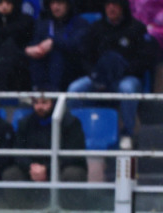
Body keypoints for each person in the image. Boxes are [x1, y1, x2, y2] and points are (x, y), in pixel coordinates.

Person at [68, 0, 159, 146]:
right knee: (75, 89)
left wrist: (123, 71)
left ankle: (128, 133)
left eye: (115, 4)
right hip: (100, 78)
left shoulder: (136, 28)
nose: (111, 8)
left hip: (126, 77)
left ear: (122, 7)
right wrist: (95, 75)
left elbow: (144, 59)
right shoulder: (96, 28)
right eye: (108, 5)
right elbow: (85, 57)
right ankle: (75, 133)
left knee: (127, 89)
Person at [3, 93, 87, 183]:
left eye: (44, 103)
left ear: (54, 103)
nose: (39, 107)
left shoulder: (71, 123)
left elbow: (73, 155)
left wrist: (47, 168)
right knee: (11, 174)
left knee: (72, 173)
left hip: (60, 167)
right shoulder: (25, 123)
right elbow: (18, 151)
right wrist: (31, 167)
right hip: (32, 168)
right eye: (36, 103)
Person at [27, 0, 88, 92]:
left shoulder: (80, 23)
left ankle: (54, 94)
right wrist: (30, 49)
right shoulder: (44, 24)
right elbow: (35, 42)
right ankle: (38, 92)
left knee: (57, 53)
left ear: (68, 4)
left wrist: (54, 42)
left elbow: (75, 45)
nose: (56, 7)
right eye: (52, 3)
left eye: (60, 3)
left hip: (73, 69)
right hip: (46, 67)